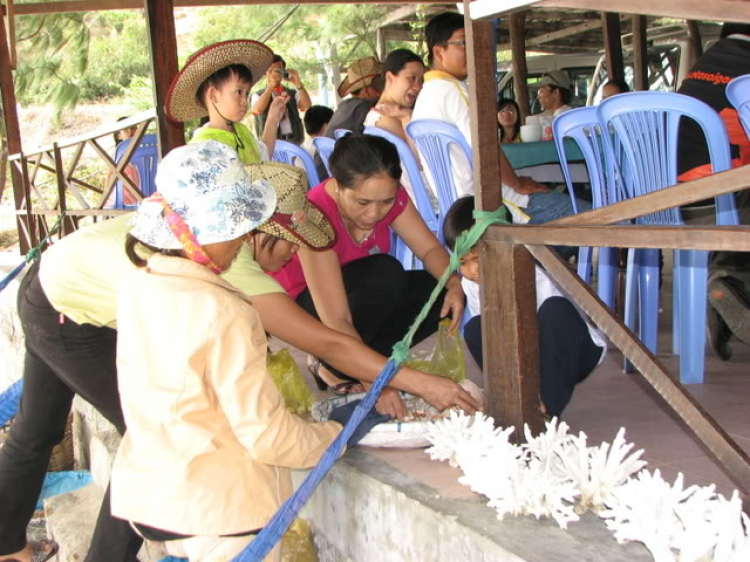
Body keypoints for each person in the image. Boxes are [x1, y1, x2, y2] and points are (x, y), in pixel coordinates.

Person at [0, 161, 478, 562]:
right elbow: (280, 411)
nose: (293, 256)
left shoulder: (159, 271)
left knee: (94, 432)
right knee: (139, 435)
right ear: (252, 233)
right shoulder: (225, 295)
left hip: (67, 281)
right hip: (61, 307)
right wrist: (340, 432)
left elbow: (324, 339)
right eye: (290, 243)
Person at [110, 141, 346, 562]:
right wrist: (333, 438)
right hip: (219, 514)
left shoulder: (138, 284)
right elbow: (267, 436)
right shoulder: (224, 310)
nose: (242, 240)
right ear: (204, 232)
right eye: (235, 228)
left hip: (152, 496)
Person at [273, 133, 468, 405]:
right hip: (307, 308)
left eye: (385, 202)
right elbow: (336, 318)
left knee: (437, 292)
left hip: (354, 300)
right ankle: (336, 363)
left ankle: (366, 364)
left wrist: (455, 284)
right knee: (385, 273)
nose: (375, 214)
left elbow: (429, 250)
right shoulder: (315, 214)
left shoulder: (390, 196)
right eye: (363, 203)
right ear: (338, 186)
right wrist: (377, 387)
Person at [411, 12, 587, 226]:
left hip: (453, 207)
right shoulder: (454, 91)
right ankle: (535, 257)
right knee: (591, 216)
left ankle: (537, 259)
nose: (472, 50)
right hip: (488, 206)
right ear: (439, 51)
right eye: (464, 43)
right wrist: (517, 183)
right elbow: (485, 148)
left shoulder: (426, 95)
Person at [443, 196, 607, 417]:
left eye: (478, 260)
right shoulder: (471, 284)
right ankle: (510, 398)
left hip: (572, 350)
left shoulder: (530, 269)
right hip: (526, 356)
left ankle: (545, 411)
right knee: (476, 328)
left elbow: (554, 329)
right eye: (462, 263)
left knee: (554, 310)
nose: (472, 271)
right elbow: (496, 335)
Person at [676, 22, 750, 360]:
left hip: (670, 204)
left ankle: (729, 288)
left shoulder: (699, 69)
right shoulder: (745, 70)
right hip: (722, 201)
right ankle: (729, 280)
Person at [165, 39, 287, 162]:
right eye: (239, 92)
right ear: (213, 95)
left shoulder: (242, 132)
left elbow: (262, 158)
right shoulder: (203, 148)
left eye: (247, 93)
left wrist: (272, 119)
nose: (245, 100)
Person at [364, 48, 426, 202]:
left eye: (421, 80)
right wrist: (407, 117)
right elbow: (419, 163)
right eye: (411, 78)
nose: (418, 87)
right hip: (415, 200)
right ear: (390, 78)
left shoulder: (377, 115)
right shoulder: (388, 119)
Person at [314, 56, 384, 179]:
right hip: (337, 176)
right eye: (379, 87)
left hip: (322, 174)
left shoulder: (344, 106)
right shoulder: (364, 109)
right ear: (367, 90)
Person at [251, 54, 311, 146]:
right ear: (265, 73)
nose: (275, 74)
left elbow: (307, 106)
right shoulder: (258, 95)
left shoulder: (291, 92)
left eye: (278, 70)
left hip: (294, 141)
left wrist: (298, 83)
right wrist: (271, 86)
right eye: (271, 71)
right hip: (272, 145)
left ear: (284, 71)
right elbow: (257, 110)